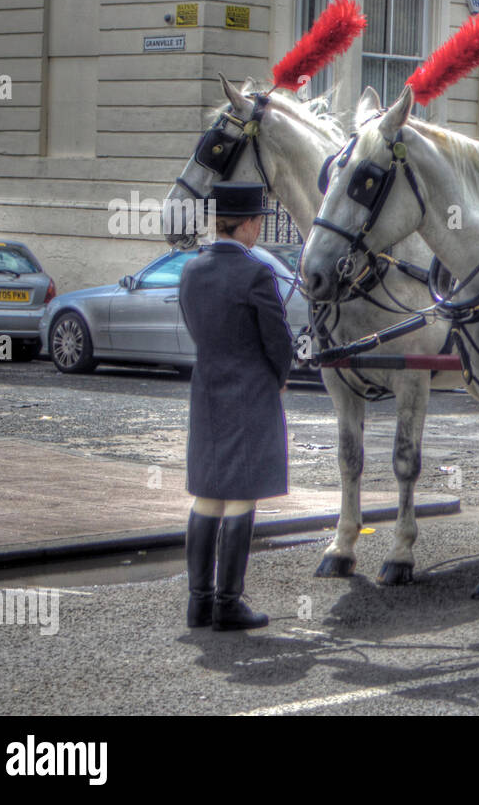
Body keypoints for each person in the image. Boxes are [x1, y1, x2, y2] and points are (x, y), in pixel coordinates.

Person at [179, 182, 293, 631]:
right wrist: (279, 376)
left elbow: (194, 325)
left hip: (207, 388)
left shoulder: (191, 270)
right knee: (241, 495)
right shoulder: (255, 273)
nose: (259, 228)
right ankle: (229, 603)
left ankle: (198, 602)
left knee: (208, 494)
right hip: (250, 390)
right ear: (246, 224)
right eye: (259, 221)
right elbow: (277, 339)